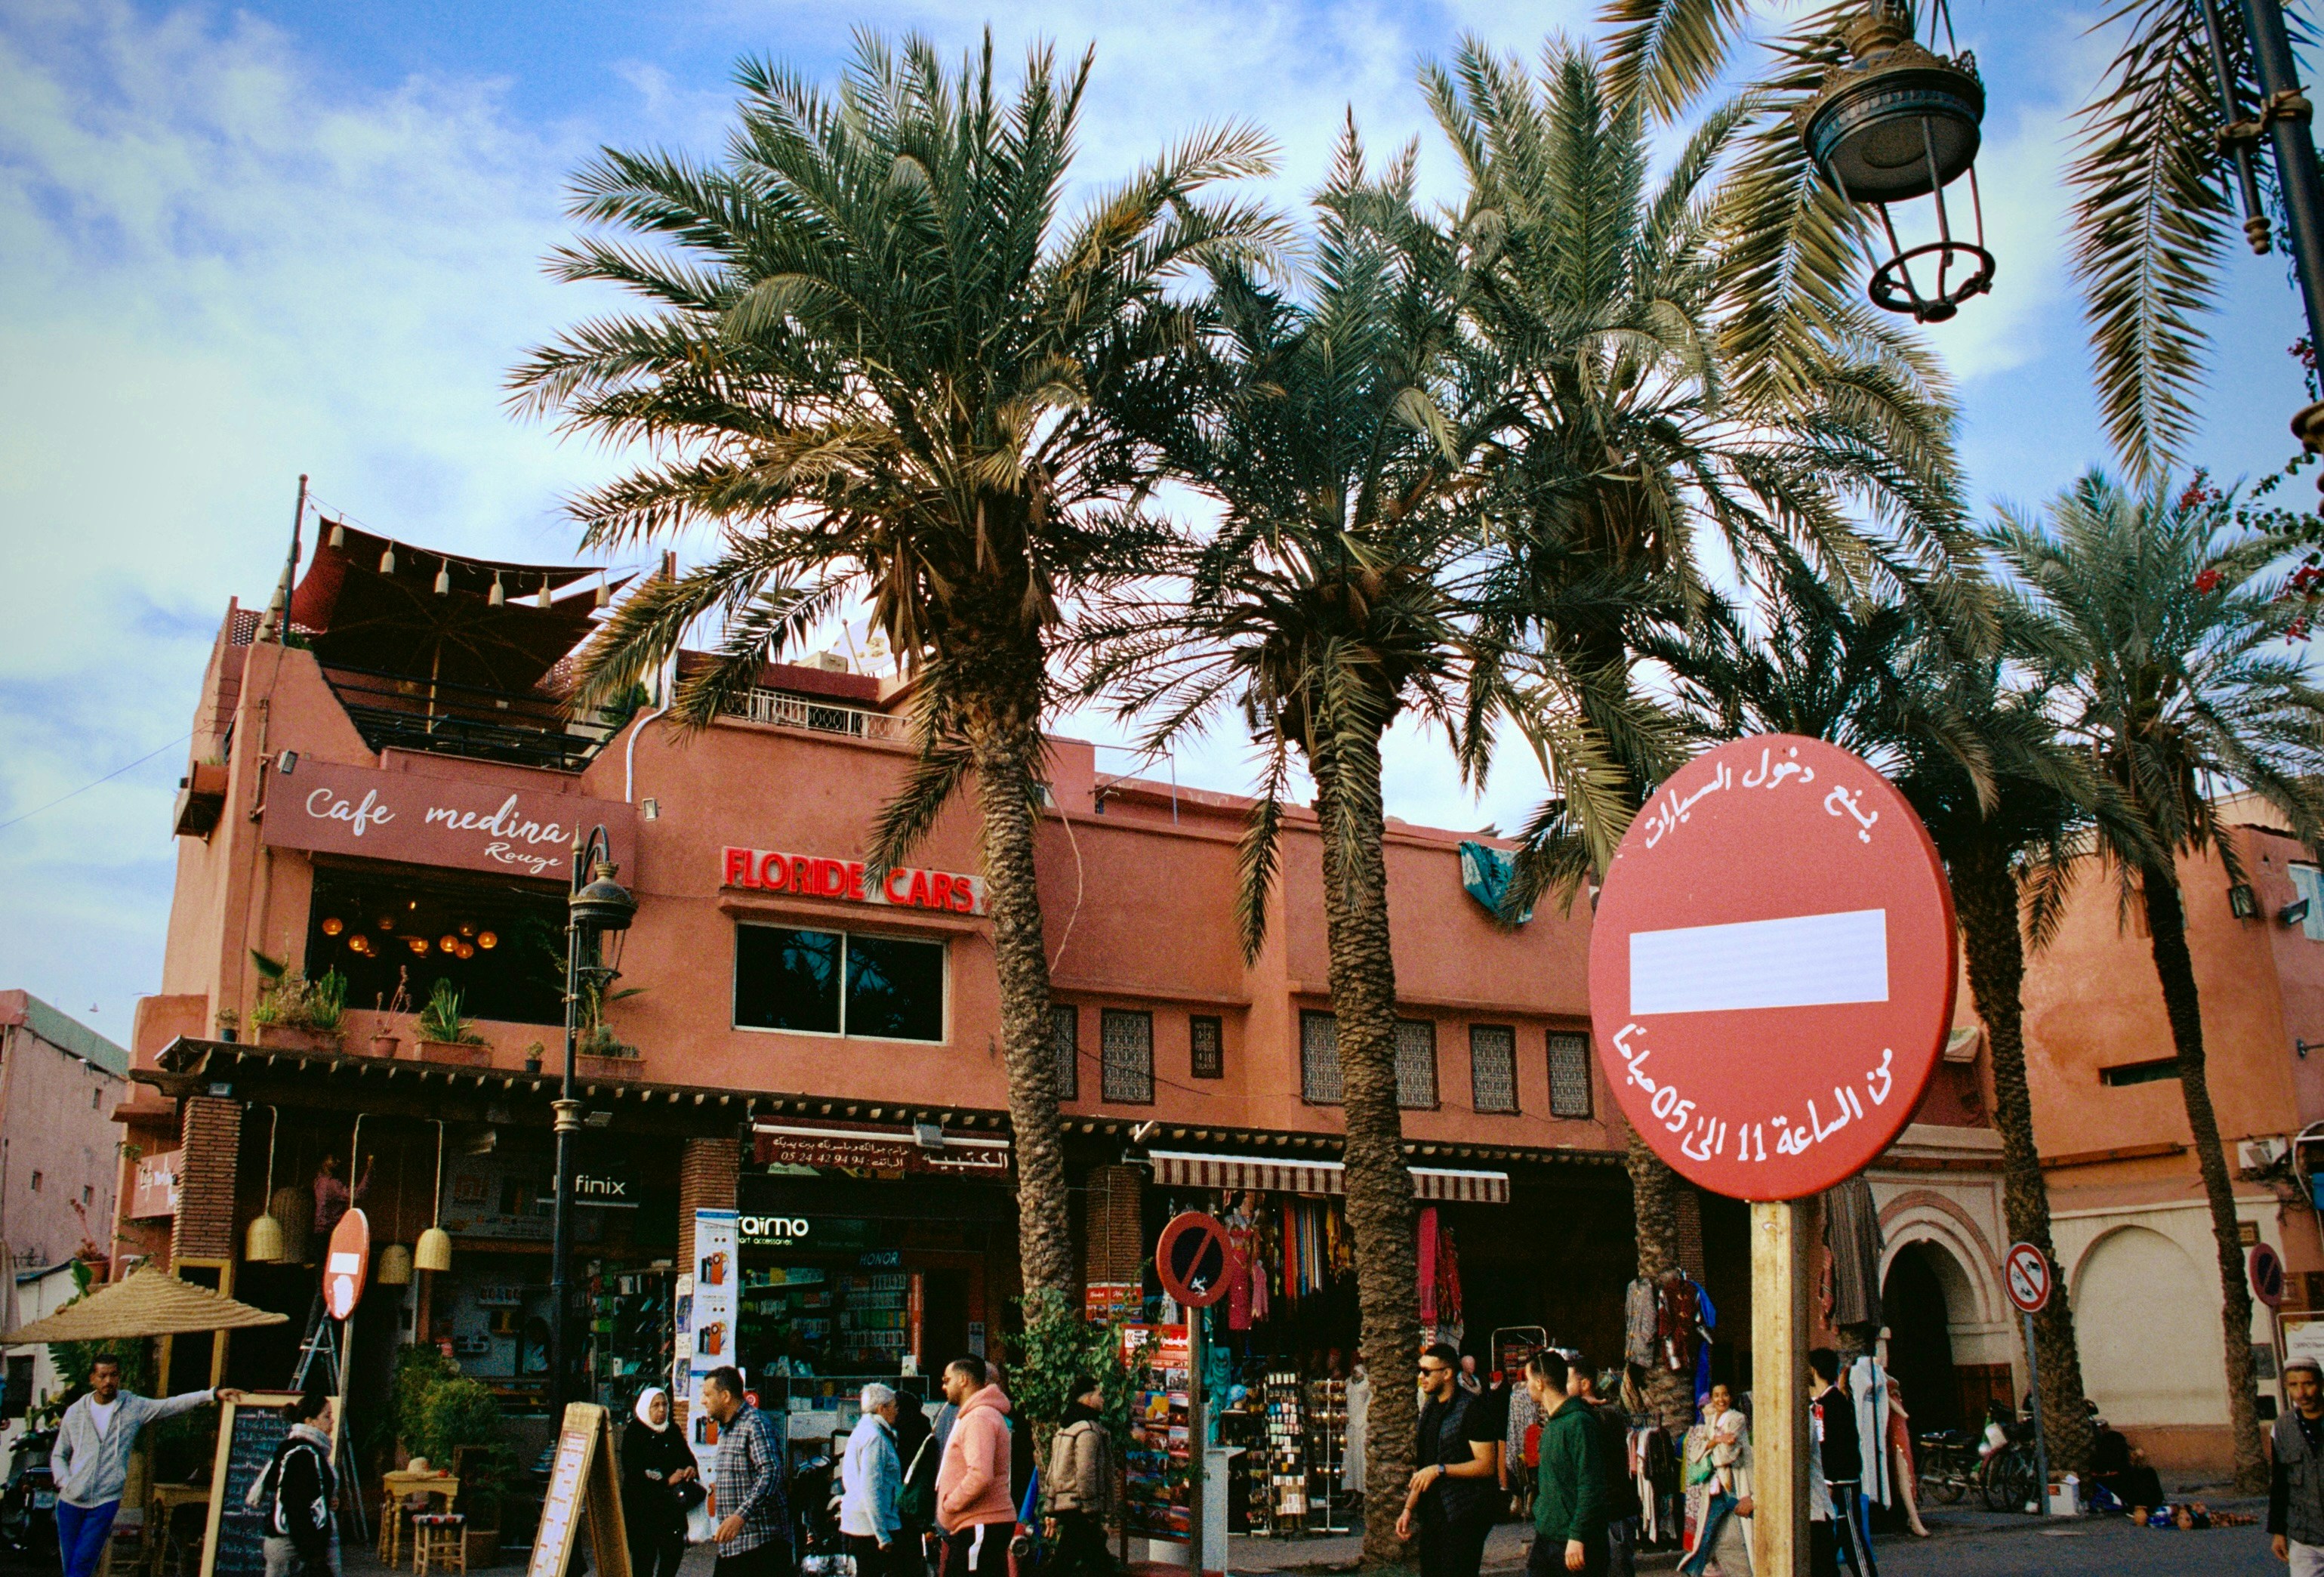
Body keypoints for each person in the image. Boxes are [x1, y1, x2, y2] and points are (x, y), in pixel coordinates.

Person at [54, 1356, 239, 1577]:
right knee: (71, 1566)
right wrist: (65, 1482)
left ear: (119, 1376)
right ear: (92, 1378)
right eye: (102, 1376)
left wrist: (211, 1394)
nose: (108, 1381)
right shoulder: (76, 1412)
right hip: (70, 1502)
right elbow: (59, 1454)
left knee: (82, 1564)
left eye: (113, 1375)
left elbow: (169, 1405)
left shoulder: (132, 1407)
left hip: (104, 1500)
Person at [1398, 1344, 1501, 1577]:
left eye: (1427, 1372)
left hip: (1463, 1513)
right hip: (1433, 1515)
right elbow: (1424, 1466)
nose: (1421, 1377)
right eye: (1419, 1370)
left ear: (1446, 1373)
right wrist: (1408, 1508)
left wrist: (1441, 1470)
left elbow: (1486, 1465)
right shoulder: (1430, 1408)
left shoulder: (1472, 1410)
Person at [704, 1365, 791, 1577]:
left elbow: (771, 1472)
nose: (703, 1400)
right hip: (735, 1547)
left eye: (708, 1395)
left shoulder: (755, 1423)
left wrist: (740, 1516)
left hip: (760, 1545)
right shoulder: (728, 1428)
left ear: (725, 1396)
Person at [1525, 1350, 1606, 1577]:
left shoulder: (1579, 1423)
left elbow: (1591, 1484)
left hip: (1574, 1543)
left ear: (1540, 1383)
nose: (1525, 1386)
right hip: (1547, 1536)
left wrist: (1577, 1536)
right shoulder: (1553, 1424)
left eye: (1528, 1380)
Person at [934, 1356, 1015, 1577]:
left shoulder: (979, 1417)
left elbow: (980, 1474)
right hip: (977, 1524)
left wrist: (950, 1504)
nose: (943, 1386)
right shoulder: (978, 1415)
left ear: (963, 1380)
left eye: (946, 1379)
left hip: (981, 1523)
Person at [249, 1385, 335, 1577]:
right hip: (292, 1544)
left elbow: (277, 1483)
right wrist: (313, 1555)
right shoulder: (302, 1454)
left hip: (292, 1542)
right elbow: (294, 1503)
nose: (332, 1421)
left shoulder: (299, 1448)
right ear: (310, 1422)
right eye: (326, 1416)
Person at [1570, 1356, 1642, 1577]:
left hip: (1614, 1514)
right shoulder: (1583, 1415)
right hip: (1601, 1515)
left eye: (1568, 1381)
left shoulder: (1606, 1415)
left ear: (1585, 1384)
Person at [1809, 1350, 1875, 1577]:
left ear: (1814, 1370)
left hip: (1842, 1481)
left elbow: (1837, 1447)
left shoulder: (1835, 1402)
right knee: (1831, 1541)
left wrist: (1830, 1480)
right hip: (1828, 1482)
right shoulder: (1818, 1404)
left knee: (1851, 1538)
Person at [624, 1387, 700, 1577]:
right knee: (644, 1562)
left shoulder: (671, 1430)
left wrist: (691, 1468)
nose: (661, 1410)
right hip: (644, 1511)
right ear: (644, 1408)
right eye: (655, 1405)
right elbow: (633, 1475)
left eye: (665, 1404)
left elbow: (688, 1458)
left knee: (672, 1557)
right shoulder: (634, 1433)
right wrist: (666, 1482)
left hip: (671, 1510)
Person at [1042, 1375, 1113, 1577]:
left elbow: (1053, 1471)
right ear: (1088, 1398)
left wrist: (1050, 1507)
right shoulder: (1088, 1431)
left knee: (1074, 1560)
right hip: (1081, 1508)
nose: (1103, 1399)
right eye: (1099, 1395)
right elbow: (1086, 1472)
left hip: (1067, 1505)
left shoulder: (1065, 1428)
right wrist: (1092, 1510)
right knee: (1085, 1563)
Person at [1678, 1384, 1749, 1577]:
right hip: (1715, 1486)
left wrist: (1709, 1446)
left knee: (1740, 1522)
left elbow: (1727, 1456)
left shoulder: (1737, 1419)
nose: (1721, 1400)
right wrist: (1717, 1441)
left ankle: (1693, 1569)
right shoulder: (1709, 1421)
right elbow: (1695, 1453)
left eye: (1725, 1395)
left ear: (1731, 1397)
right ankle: (1694, 1569)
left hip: (1730, 1482)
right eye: (1717, 1396)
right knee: (1708, 1531)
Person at [841, 1384, 904, 1577]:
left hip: (858, 1524)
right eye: (894, 1406)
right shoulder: (875, 1438)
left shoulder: (863, 1431)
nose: (897, 1410)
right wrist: (882, 1535)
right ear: (881, 1409)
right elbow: (871, 1488)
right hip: (870, 1530)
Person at [2272, 1357, 2324, 1571]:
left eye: (2308, 1384)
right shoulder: (2283, 1427)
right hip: (2305, 1538)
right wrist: (2278, 1531)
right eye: (2294, 1385)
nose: (2301, 1393)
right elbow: (2279, 1483)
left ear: (2321, 1384)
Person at [1878, 1378, 1928, 1539]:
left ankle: (1912, 1517)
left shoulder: (1880, 1376)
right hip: (1896, 1428)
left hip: (1898, 1427)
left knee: (1905, 1469)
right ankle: (1913, 1519)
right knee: (1904, 1470)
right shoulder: (1877, 1377)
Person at [311, 1151, 371, 1236]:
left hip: (320, 1232)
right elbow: (357, 1195)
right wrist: (369, 1171)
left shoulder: (319, 1181)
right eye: (333, 1159)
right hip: (328, 1234)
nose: (338, 1161)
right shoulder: (331, 1185)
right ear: (325, 1163)